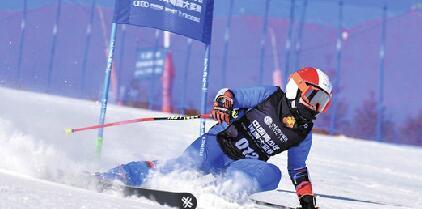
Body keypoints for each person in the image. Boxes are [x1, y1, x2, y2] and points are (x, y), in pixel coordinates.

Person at [97, 67, 332, 209]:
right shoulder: (270, 96)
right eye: (313, 97)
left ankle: (223, 192)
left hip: (242, 166)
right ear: (296, 88)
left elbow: (298, 170)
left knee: (273, 174)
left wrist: (306, 197)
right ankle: (120, 174)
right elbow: (230, 95)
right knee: (181, 169)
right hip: (217, 146)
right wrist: (224, 104)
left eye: (321, 103)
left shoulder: (303, 133)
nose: (315, 107)